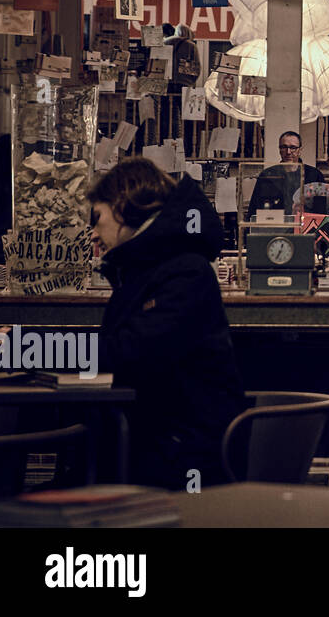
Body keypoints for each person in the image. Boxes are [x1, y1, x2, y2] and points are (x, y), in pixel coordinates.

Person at [87, 157, 246, 491]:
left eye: (96, 217)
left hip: (180, 456)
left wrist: (27, 349)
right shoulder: (150, 268)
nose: (93, 231)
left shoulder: (184, 271)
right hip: (161, 442)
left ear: (121, 207)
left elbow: (130, 351)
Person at [246, 130, 323, 219]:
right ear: (279, 149)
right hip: (275, 227)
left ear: (300, 150)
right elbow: (255, 207)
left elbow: (320, 210)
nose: (288, 152)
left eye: (293, 147)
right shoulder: (268, 175)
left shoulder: (314, 175)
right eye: (284, 147)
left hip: (305, 226)